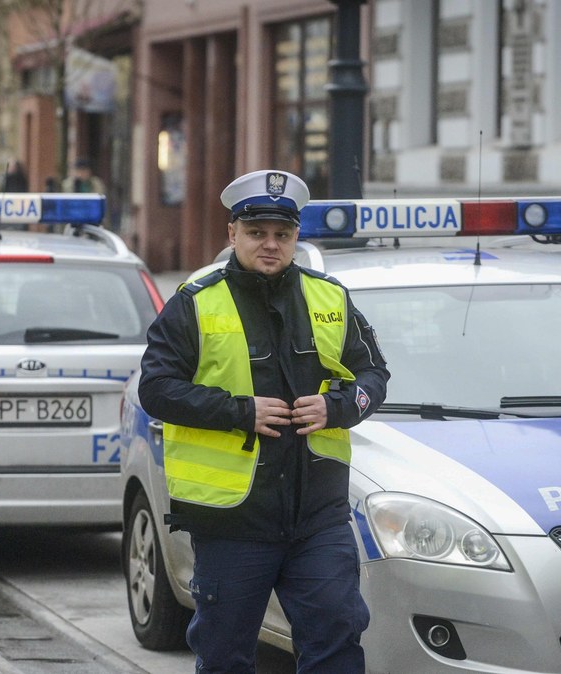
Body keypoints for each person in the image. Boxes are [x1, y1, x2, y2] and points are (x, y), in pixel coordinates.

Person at [139, 169, 389, 673]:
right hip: (233, 521)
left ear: (297, 236)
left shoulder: (330, 298)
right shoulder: (197, 300)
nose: (270, 244)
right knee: (226, 656)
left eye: (283, 234)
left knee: (337, 640)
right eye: (257, 233)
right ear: (233, 234)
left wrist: (338, 407)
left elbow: (373, 376)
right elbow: (156, 389)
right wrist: (241, 412)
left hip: (317, 517)